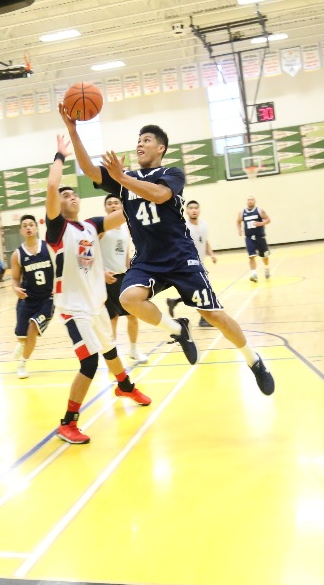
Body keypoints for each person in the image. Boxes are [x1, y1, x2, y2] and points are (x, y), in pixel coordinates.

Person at [59, 105, 274, 398]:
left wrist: (121, 178)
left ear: (160, 148)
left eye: (146, 140)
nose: (140, 144)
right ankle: (178, 329)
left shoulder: (171, 173)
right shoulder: (125, 177)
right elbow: (88, 170)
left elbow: (160, 195)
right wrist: (73, 130)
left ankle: (254, 360)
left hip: (180, 257)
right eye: (138, 140)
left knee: (214, 315)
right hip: (147, 260)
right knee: (128, 299)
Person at [43, 135, 151, 445]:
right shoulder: (57, 229)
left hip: (96, 304)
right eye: (65, 195)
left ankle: (125, 386)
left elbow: (124, 214)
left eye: (73, 194)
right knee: (89, 362)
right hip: (73, 308)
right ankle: (68, 423)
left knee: (110, 350)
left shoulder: (90, 225)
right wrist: (60, 156)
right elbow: (51, 186)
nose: (70, 196)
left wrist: (124, 180)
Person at [100, 194, 145, 359]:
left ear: (121, 206)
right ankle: (113, 356)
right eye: (109, 203)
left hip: (123, 278)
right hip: (107, 279)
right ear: (105, 208)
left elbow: (125, 254)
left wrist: (131, 272)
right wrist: (101, 273)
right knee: (113, 319)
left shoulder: (126, 229)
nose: (113, 205)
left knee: (133, 315)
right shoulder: (102, 229)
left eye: (116, 203)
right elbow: (92, 254)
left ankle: (133, 350)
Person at [10, 214, 55, 379]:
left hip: (47, 299)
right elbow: (15, 278)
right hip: (27, 299)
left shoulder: (48, 248)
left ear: (36, 227)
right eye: (25, 226)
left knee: (33, 328)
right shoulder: (17, 254)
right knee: (22, 336)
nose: (28, 227)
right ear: (21, 231)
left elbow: (59, 269)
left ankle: (22, 364)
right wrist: (15, 289)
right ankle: (22, 344)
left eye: (31, 224)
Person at [167, 200, 217, 328]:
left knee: (197, 292)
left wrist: (211, 254)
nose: (194, 210)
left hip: (200, 263)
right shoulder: (183, 226)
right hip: (188, 264)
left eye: (196, 208)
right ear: (186, 211)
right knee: (204, 290)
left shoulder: (204, 225)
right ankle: (203, 319)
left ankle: (174, 301)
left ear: (199, 210)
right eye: (191, 208)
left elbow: (205, 241)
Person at [237, 196, 271, 282]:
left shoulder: (259, 210)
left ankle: (266, 268)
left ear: (255, 201)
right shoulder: (242, 212)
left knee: (264, 256)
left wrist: (261, 223)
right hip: (249, 238)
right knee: (251, 256)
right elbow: (238, 221)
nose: (250, 201)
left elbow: (268, 219)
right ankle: (254, 275)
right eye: (248, 200)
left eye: (251, 200)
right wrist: (239, 229)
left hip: (260, 237)